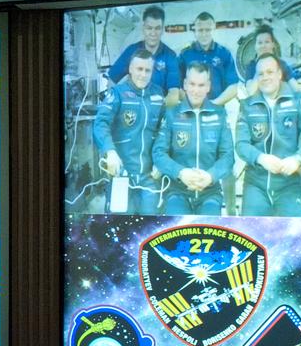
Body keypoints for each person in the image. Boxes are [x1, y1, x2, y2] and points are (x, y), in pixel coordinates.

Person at [235, 55, 301, 217]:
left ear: (279, 74)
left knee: (297, 233)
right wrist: (261, 158)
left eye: (270, 72)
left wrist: (298, 159)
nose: (265, 77)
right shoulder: (247, 105)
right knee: (250, 232)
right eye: (260, 74)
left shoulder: (299, 101)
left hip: (291, 182)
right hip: (256, 183)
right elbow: (241, 144)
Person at [153, 62, 234, 215]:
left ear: (208, 86)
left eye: (201, 85)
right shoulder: (171, 114)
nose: (196, 90)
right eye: (192, 84)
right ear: (185, 84)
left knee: (208, 232)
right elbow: (158, 153)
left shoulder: (220, 115)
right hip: (177, 192)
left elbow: (228, 156)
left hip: (210, 193)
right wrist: (181, 173)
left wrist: (211, 176)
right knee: (178, 231)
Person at [93, 49, 165, 214]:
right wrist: (109, 152)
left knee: (151, 226)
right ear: (131, 69)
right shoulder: (117, 94)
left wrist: (162, 162)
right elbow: (100, 123)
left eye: (147, 70)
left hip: (149, 177)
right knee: (121, 227)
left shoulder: (158, 95)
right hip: (121, 175)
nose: (143, 74)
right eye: (139, 69)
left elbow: (164, 131)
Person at [107, 6, 182, 102]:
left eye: (157, 28)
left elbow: (174, 94)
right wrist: (113, 105)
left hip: (159, 109)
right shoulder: (131, 51)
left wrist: (155, 109)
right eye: (149, 28)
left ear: (163, 29)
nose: (153, 33)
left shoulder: (170, 56)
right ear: (143, 28)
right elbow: (112, 81)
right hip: (134, 109)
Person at [179, 12, 239, 105]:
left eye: (208, 30)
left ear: (214, 29)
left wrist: (215, 104)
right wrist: (192, 104)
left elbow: (234, 86)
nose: (204, 34)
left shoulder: (224, 53)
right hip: (191, 109)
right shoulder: (185, 54)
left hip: (219, 106)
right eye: (200, 30)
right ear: (195, 31)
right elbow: (177, 86)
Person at [243, 25, 301, 99]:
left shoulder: (282, 64)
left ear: (273, 44)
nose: (263, 46)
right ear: (255, 46)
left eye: (267, 42)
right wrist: (260, 66)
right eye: (260, 43)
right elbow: (251, 92)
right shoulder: (251, 67)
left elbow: (295, 88)